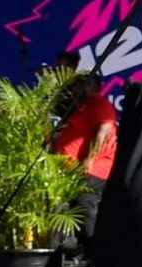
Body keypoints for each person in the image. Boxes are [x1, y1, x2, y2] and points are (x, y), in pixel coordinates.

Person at [47, 64, 118, 255]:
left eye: (77, 85)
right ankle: (68, 250)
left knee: (84, 208)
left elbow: (104, 130)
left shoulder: (98, 103)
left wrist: (89, 159)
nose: (73, 89)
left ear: (90, 86)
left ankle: (97, 254)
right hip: (71, 170)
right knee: (67, 211)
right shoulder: (81, 107)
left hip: (91, 169)